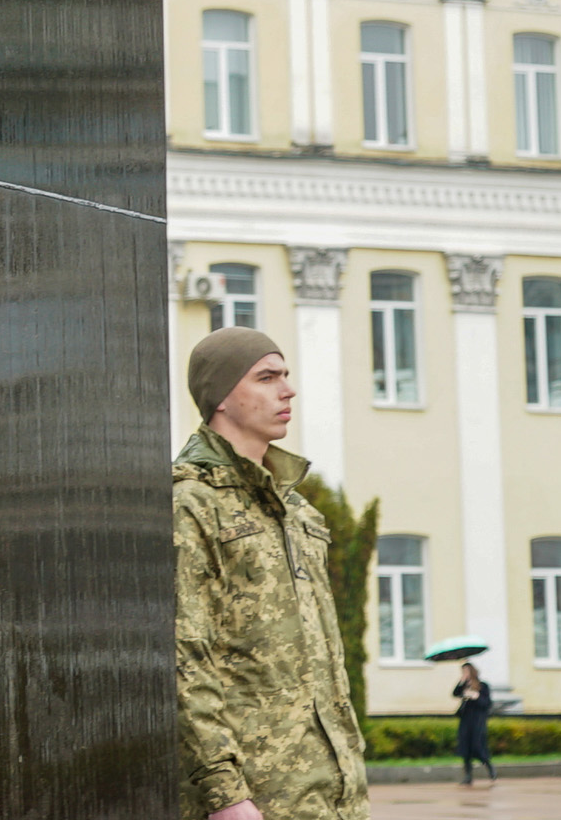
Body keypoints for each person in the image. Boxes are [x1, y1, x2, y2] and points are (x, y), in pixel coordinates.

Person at [173, 326, 368, 820]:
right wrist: (226, 795)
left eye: (285, 375)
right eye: (266, 377)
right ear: (221, 396)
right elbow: (183, 656)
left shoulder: (297, 511)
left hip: (330, 793)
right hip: (255, 798)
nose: (288, 390)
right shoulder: (191, 503)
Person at [453, 662, 496, 786]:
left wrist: (475, 696)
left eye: (466, 672)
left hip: (478, 721)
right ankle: (468, 776)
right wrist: (461, 683)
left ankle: (490, 768)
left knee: (478, 747)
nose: (464, 674)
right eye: (463, 672)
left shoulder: (483, 686)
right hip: (466, 721)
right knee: (465, 748)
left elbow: (487, 704)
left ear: (472, 672)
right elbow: (455, 694)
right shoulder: (464, 686)